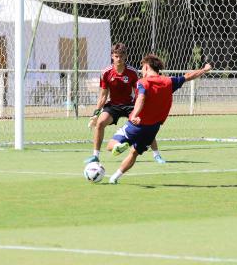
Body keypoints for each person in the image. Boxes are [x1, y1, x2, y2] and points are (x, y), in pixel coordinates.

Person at [107, 54, 212, 184]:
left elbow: (141, 98)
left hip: (137, 124)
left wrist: (134, 115)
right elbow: (188, 76)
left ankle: (118, 146)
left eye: (142, 69)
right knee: (134, 153)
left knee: (110, 145)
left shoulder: (143, 82)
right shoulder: (169, 82)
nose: (142, 72)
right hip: (153, 128)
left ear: (146, 67)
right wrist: (204, 69)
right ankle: (114, 177)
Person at [84, 43, 166, 164]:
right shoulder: (106, 73)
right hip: (113, 106)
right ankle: (95, 155)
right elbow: (103, 96)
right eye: (116, 56)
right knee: (100, 123)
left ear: (125, 56)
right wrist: (96, 114)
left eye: (121, 56)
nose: (119, 59)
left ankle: (156, 155)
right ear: (112, 56)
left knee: (145, 123)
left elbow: (139, 93)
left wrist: (142, 110)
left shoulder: (132, 72)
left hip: (130, 105)